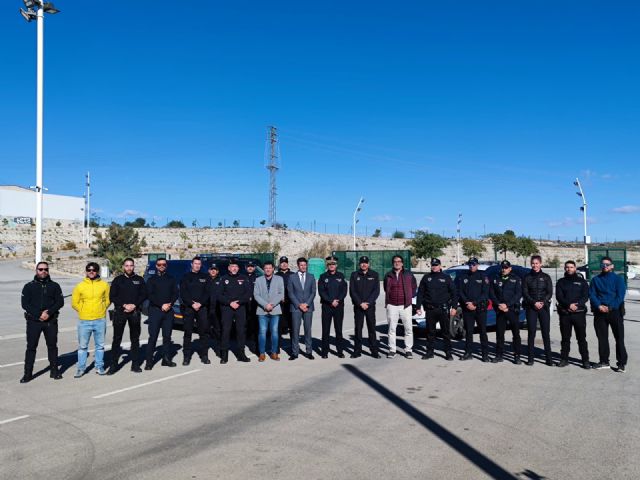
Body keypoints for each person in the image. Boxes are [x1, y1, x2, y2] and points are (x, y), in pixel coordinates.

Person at [20, 261, 64, 383]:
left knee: (52, 346)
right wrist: (39, 314)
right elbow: (25, 304)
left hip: (51, 321)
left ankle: (54, 371)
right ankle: (28, 374)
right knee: (31, 347)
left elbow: (60, 302)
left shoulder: (55, 286)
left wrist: (48, 312)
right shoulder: (28, 286)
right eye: (41, 269)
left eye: (46, 269)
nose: (43, 271)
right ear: (36, 271)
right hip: (34, 322)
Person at [71, 262, 111, 377]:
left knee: (100, 346)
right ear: (86, 271)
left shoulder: (104, 285)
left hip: (100, 319)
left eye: (94, 270)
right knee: (83, 347)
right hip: (84, 321)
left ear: (97, 271)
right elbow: (74, 303)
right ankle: (81, 368)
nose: (91, 272)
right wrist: (83, 311)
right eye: (89, 270)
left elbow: (107, 300)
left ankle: (99, 366)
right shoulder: (80, 286)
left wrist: (102, 309)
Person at [108, 257, 147, 374]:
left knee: (135, 339)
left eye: (131, 265)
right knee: (116, 339)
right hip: (120, 312)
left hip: (135, 312)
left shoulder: (139, 280)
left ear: (134, 266)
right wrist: (124, 305)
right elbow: (112, 296)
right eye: (127, 265)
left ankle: (135, 365)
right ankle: (113, 365)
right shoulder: (117, 280)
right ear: (123, 267)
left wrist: (134, 305)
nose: (129, 268)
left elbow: (144, 294)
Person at [589, 256, 627, 372]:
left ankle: (621, 364)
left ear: (612, 266)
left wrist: (611, 307)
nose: (604, 266)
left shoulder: (618, 279)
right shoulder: (595, 280)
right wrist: (599, 306)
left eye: (607, 264)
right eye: (603, 264)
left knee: (619, 338)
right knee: (602, 338)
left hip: (615, 312)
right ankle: (604, 361)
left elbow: (620, 296)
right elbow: (592, 295)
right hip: (600, 312)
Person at [416, 258, 457, 361]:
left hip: (443, 309)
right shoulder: (426, 277)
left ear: (440, 266)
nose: (434, 267)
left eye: (436, 265)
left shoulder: (446, 277)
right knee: (430, 332)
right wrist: (418, 306)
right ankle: (430, 352)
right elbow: (420, 292)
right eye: (433, 265)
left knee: (445, 332)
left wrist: (454, 307)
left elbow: (454, 293)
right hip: (430, 309)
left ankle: (448, 352)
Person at [556, 260, 591, 369]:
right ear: (564, 268)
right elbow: (559, 296)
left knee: (581, 338)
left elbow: (585, 296)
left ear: (575, 268)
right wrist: (568, 305)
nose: (569, 269)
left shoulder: (582, 282)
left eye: (571, 267)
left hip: (579, 314)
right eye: (567, 267)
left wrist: (578, 304)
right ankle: (564, 359)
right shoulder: (561, 282)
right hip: (565, 314)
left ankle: (585, 360)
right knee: (565, 338)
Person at [145, 258, 178, 369]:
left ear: (166, 265)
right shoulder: (151, 280)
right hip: (155, 311)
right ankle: (149, 361)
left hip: (168, 311)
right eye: (159, 264)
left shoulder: (171, 279)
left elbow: (175, 293)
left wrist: (170, 304)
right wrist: (161, 305)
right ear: (156, 266)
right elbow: (150, 295)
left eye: (163, 264)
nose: (161, 266)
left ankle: (166, 359)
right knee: (153, 337)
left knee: (167, 337)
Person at [383, 255, 417, 358]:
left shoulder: (409, 274)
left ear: (402, 263)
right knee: (392, 329)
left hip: (405, 306)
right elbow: (385, 288)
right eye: (395, 261)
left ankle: (408, 350)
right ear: (393, 263)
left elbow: (414, 287)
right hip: (392, 305)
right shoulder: (388, 275)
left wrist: (409, 297)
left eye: (399, 261)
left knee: (408, 329)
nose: (397, 263)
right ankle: (392, 350)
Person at [219, 258, 252, 364]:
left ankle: (241, 354)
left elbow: (248, 293)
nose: (234, 268)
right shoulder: (223, 279)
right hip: (227, 308)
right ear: (229, 268)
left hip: (240, 308)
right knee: (226, 331)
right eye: (232, 266)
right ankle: (224, 355)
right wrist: (230, 302)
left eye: (236, 267)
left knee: (241, 331)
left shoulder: (244, 278)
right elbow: (219, 295)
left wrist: (239, 302)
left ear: (238, 268)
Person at [489, 260, 523, 364]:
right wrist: (499, 304)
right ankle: (499, 355)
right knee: (499, 334)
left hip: (511, 309)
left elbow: (518, 294)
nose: (504, 269)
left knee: (516, 334)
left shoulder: (516, 279)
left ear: (510, 268)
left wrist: (507, 305)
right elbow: (492, 293)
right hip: (500, 309)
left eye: (506, 267)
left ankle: (517, 356)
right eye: (503, 267)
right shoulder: (495, 278)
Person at [456, 257, 490, 362]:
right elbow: (460, 291)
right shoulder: (463, 276)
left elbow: (485, 293)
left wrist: (474, 303)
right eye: (470, 264)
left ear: (477, 265)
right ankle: (468, 353)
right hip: (467, 308)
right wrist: (467, 302)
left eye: (474, 264)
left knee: (482, 332)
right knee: (468, 332)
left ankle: (485, 354)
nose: (472, 266)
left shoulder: (483, 276)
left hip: (480, 308)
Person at [522, 255, 554, 366]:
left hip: (543, 308)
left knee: (546, 333)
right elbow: (525, 293)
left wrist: (542, 302)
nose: (535, 265)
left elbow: (549, 292)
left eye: (537, 263)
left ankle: (549, 358)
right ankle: (530, 358)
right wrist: (533, 302)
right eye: (533, 263)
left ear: (541, 264)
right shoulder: (527, 277)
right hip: (531, 308)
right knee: (531, 333)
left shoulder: (546, 277)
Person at [180, 257, 211, 366]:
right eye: (195, 263)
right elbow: (183, 293)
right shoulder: (185, 277)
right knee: (187, 332)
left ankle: (204, 356)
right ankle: (186, 357)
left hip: (202, 308)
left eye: (199, 264)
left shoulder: (205, 277)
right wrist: (192, 303)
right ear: (191, 264)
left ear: (201, 265)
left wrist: (200, 303)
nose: (197, 265)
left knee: (203, 333)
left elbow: (208, 292)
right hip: (189, 308)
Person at [349, 256, 381, 358]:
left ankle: (374, 351)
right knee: (358, 329)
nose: (364, 264)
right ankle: (357, 351)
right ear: (359, 264)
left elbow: (376, 291)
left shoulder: (374, 275)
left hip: (370, 307)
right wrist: (360, 303)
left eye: (366, 263)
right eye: (362, 263)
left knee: (371, 329)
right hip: (358, 307)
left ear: (368, 264)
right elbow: (352, 291)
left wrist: (368, 303)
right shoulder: (354, 275)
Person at [253, 261, 285, 361]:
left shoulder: (279, 279)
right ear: (263, 269)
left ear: (273, 269)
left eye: (269, 268)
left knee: (274, 332)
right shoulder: (258, 280)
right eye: (266, 268)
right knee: (262, 332)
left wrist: (272, 304)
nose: (268, 270)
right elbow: (256, 295)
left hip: (275, 310)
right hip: (262, 310)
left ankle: (274, 352)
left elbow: (281, 293)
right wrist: (265, 305)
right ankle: (262, 353)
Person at [318, 255, 348, 358]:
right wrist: (331, 301)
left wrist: (337, 300)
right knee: (325, 330)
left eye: (333, 264)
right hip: (326, 306)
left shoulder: (341, 276)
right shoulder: (323, 277)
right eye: (330, 264)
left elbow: (344, 290)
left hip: (338, 306)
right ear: (327, 265)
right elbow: (321, 291)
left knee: (338, 329)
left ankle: (340, 351)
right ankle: (325, 351)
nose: (331, 265)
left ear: (336, 265)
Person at [288, 257, 316, 360]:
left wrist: (306, 304)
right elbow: (290, 293)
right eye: (301, 265)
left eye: (305, 265)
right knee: (295, 330)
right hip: (296, 308)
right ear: (298, 266)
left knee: (308, 330)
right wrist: (299, 305)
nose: (303, 267)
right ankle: (295, 352)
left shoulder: (311, 276)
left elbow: (313, 292)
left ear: (307, 265)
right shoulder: (292, 277)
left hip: (308, 307)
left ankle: (309, 351)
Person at [276, 256, 294, 351]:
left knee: (292, 326)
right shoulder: (276, 275)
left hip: (291, 304)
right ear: (280, 264)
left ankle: (293, 346)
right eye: (282, 263)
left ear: (287, 263)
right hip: (279, 305)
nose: (284, 264)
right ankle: (277, 346)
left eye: (285, 262)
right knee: (278, 326)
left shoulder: (293, 275)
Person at [207, 263, 223, 356]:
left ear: (217, 271)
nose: (213, 271)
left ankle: (219, 349)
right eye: (212, 269)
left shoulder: (221, 280)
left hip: (217, 309)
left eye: (215, 269)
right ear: (209, 270)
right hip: (206, 309)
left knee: (218, 330)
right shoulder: (205, 280)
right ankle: (204, 351)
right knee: (205, 330)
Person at [245, 261, 259, 352]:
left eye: (252, 266)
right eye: (248, 266)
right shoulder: (242, 278)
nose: (250, 268)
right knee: (245, 324)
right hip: (244, 305)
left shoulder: (258, 278)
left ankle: (255, 345)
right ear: (246, 268)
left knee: (255, 325)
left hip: (255, 304)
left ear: (254, 268)